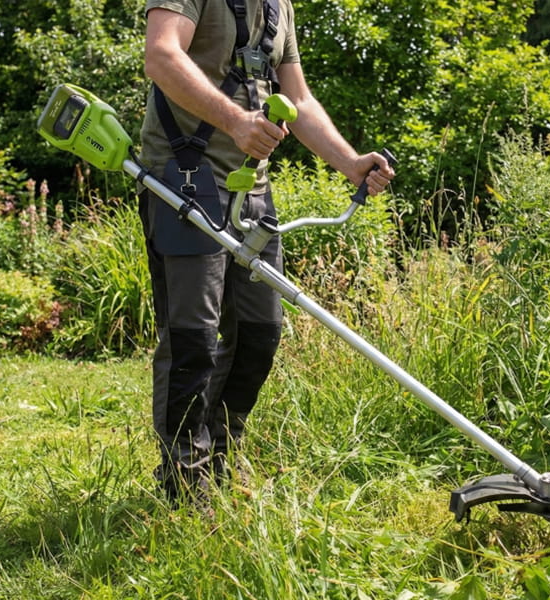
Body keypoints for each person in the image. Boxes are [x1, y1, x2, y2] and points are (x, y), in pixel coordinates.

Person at [137, 0, 395, 501]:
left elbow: (298, 99)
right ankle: (185, 483)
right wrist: (237, 122)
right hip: (185, 180)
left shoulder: (279, 6)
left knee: (260, 332)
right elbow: (162, 56)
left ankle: (219, 458)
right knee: (192, 341)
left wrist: (350, 163)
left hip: (250, 190)